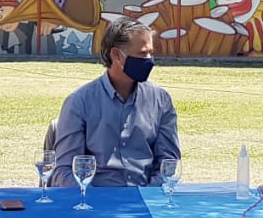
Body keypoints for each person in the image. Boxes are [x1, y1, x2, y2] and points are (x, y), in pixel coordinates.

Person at [49, 16, 180, 187]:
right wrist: (92, 201)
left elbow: (169, 164)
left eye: (151, 53)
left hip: (146, 199)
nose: (149, 60)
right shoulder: (80, 102)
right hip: (96, 201)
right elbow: (64, 171)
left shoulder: (160, 100)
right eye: (142, 53)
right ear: (116, 55)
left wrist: (150, 196)